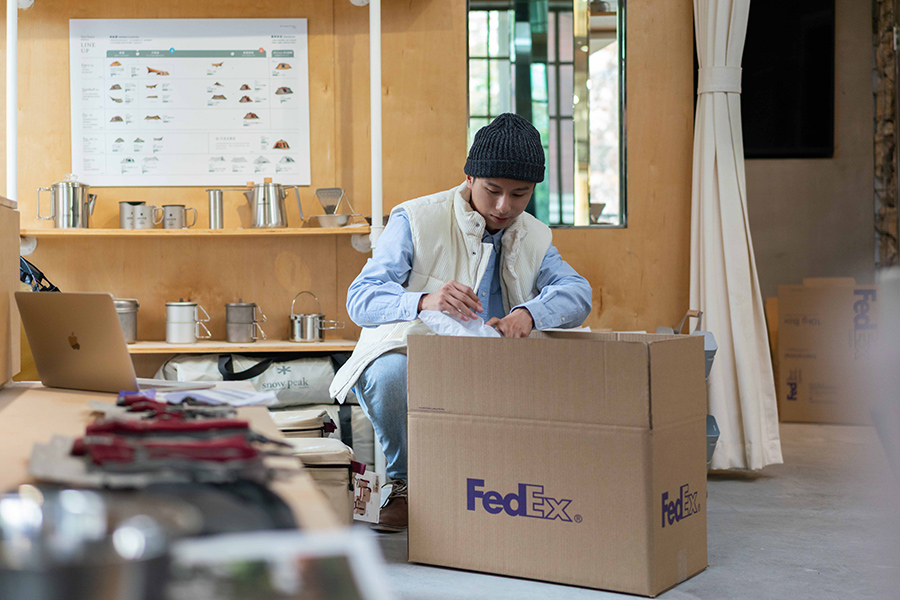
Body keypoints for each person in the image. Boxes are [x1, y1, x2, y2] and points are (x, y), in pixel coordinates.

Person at [329, 113, 592, 532]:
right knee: (389, 374)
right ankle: (404, 484)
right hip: (418, 356)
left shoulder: (535, 235)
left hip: (495, 362)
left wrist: (528, 313)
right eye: (493, 191)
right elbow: (361, 298)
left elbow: (578, 294)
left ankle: (523, 485)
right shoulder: (416, 218)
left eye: (519, 194)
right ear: (469, 178)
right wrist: (423, 301)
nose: (505, 206)